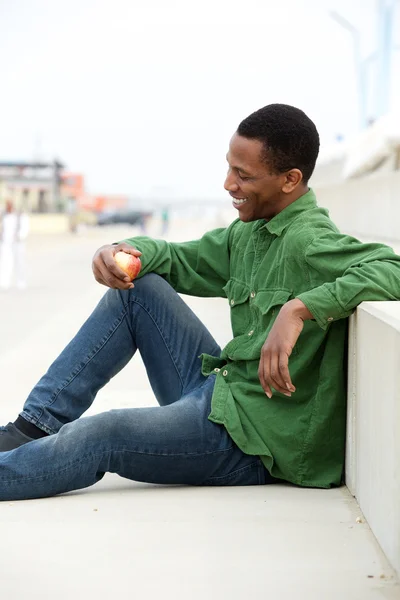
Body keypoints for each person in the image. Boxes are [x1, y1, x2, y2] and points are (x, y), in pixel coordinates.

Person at [1, 103, 400, 501]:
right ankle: (31, 427)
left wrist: (299, 308)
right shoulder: (249, 233)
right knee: (138, 290)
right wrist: (121, 249)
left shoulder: (311, 241)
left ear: (290, 180)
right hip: (220, 392)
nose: (228, 184)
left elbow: (391, 269)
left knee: (102, 434)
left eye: (243, 175)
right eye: (229, 168)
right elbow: (177, 258)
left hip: (252, 441)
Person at [0, 200, 29, 291]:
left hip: (17, 242)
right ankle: (4, 282)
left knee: (19, 262)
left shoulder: (20, 215)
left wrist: (19, 236)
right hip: (5, 242)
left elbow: (25, 228)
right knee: (5, 262)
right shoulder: (4, 215)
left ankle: (21, 281)